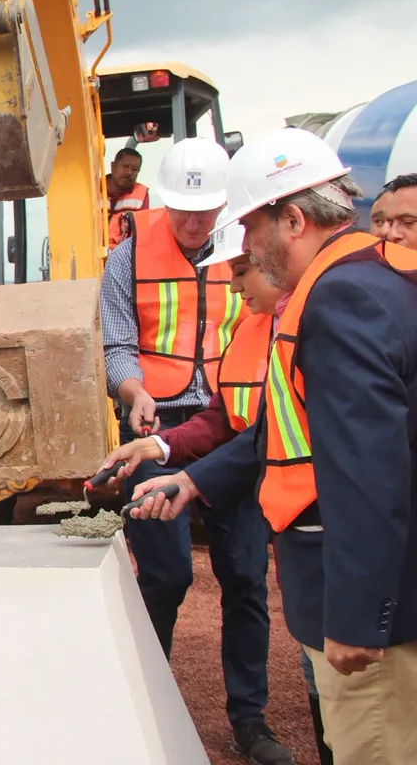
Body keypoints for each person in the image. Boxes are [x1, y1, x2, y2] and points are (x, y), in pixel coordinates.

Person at [129, 127, 417, 765]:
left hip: (385, 615)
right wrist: (193, 478)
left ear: (291, 219)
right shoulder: (368, 282)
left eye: (248, 232)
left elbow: (372, 468)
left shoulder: (341, 297)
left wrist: (358, 612)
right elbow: (290, 426)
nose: (247, 254)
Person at [101, 221, 322, 764]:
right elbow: (230, 420)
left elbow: (256, 434)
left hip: (304, 502)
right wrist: (156, 447)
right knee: (164, 576)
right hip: (178, 430)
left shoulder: (311, 323)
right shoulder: (250, 328)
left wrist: (185, 470)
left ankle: (250, 719)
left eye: (240, 272)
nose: (232, 285)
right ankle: (146, 704)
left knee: (247, 579)